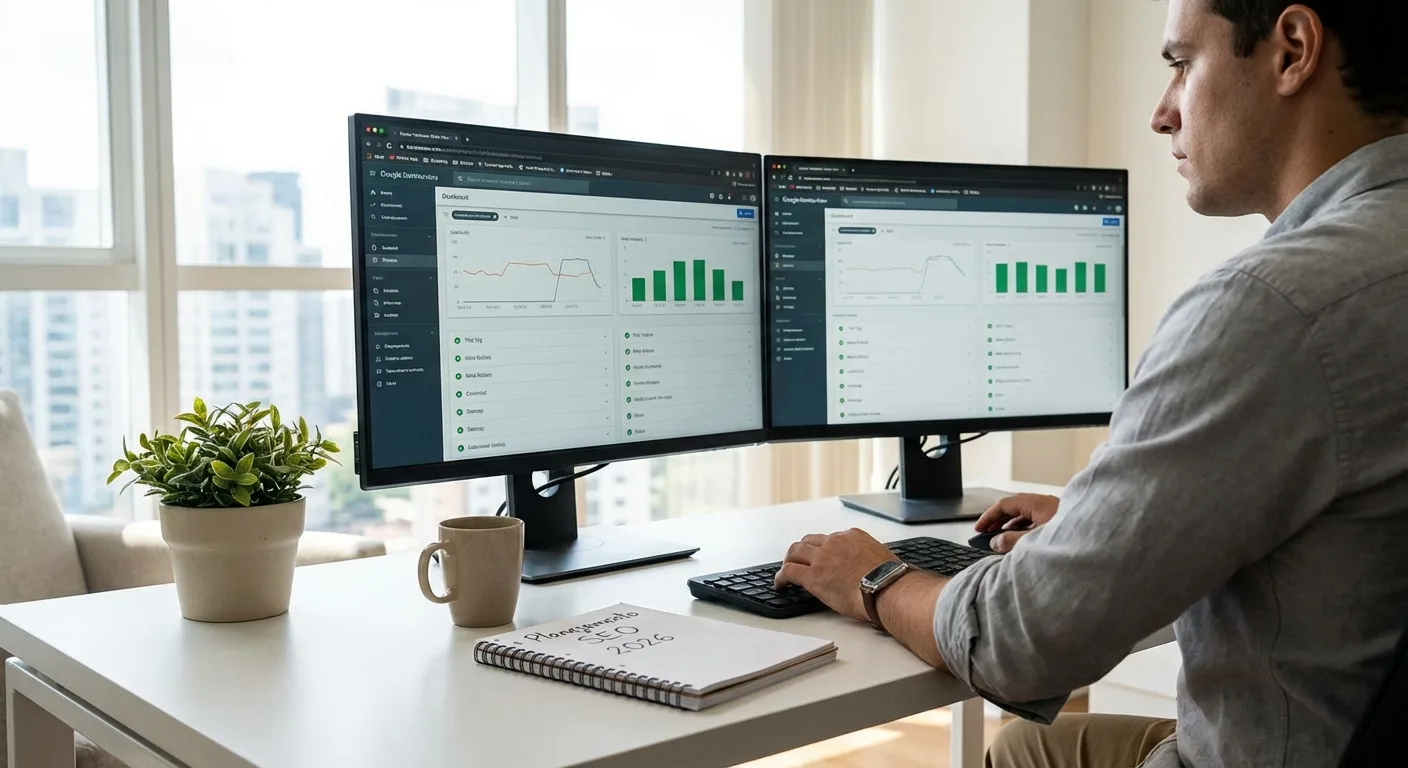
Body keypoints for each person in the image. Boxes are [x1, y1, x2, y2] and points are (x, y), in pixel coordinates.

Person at [774, 0, 1408, 765]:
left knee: (1022, 750)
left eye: (1182, 64)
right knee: (1033, 747)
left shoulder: (1272, 307)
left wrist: (873, 578)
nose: (1161, 113)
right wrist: (1107, 524)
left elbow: (1023, 642)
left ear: (1293, 50)